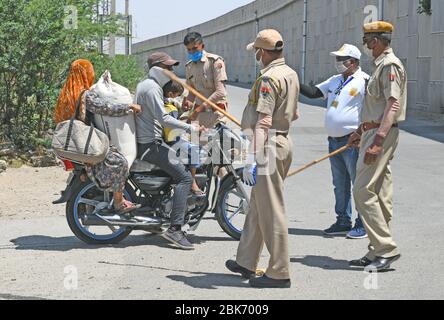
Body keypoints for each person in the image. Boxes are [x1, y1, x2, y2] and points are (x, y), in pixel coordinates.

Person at [225, 29, 300, 288]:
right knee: (258, 206)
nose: (256, 55)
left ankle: (279, 272)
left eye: (257, 51)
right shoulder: (290, 73)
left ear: (264, 52)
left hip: (268, 145)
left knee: (271, 211)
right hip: (281, 142)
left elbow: (264, 121)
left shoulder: (268, 78)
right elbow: (295, 114)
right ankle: (246, 261)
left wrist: (251, 159)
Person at [348, 21, 407, 271]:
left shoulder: (390, 65)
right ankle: (376, 249)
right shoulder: (380, 65)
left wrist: (378, 141)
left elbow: (393, 105)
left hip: (380, 136)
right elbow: (377, 106)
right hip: (373, 132)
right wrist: (361, 131)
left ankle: (386, 248)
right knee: (381, 194)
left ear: (376, 41)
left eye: (367, 41)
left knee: (362, 191)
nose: (367, 47)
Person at [135, 52, 205, 251]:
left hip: (148, 142)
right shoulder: (152, 88)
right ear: (157, 69)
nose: (171, 72)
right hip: (150, 145)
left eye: (172, 68)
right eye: (168, 68)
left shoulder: (147, 85)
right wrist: (191, 128)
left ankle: (159, 218)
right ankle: (175, 228)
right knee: (184, 178)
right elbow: (164, 119)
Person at [300, 44, 369, 239]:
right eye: (337, 59)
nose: (338, 63)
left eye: (342, 59)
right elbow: (314, 93)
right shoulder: (335, 80)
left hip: (353, 141)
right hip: (334, 141)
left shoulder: (364, 81)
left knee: (359, 184)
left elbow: (372, 109)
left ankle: (363, 223)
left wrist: (363, 133)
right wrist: (293, 80)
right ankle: (343, 221)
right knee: (340, 184)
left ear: (354, 61)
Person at [54, 59, 141, 214]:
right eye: (89, 71)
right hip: (85, 143)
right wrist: (128, 107)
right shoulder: (84, 95)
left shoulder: (65, 95)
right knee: (120, 162)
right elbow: (104, 108)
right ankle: (119, 202)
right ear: (84, 73)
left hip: (73, 143)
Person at [162, 80, 204, 196]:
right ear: (171, 95)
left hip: (168, 139)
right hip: (172, 141)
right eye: (177, 95)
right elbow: (174, 126)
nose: (178, 98)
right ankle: (193, 181)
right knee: (195, 150)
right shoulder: (171, 108)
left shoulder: (163, 104)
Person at [182, 32, 228, 129]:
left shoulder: (215, 62)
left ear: (202, 46)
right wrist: (188, 102)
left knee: (214, 141)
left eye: (194, 48)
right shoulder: (189, 66)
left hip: (216, 111)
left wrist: (199, 109)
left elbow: (220, 92)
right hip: (199, 113)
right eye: (189, 50)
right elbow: (192, 92)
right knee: (196, 141)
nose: (192, 52)